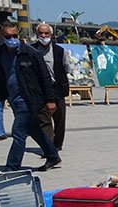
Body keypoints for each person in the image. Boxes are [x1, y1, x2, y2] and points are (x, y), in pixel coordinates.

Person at [0, 21, 60, 172]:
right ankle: (52, 156)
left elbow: (45, 77)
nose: (12, 38)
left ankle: (12, 166)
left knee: (18, 132)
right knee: (34, 129)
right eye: (8, 36)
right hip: (13, 99)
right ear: (1, 36)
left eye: (14, 35)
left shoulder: (30, 53)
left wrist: (50, 100)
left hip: (29, 100)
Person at [32, 23, 69, 152]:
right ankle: (48, 147)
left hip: (56, 88)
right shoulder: (32, 50)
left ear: (51, 35)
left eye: (46, 33)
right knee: (44, 121)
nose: (43, 36)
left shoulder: (59, 51)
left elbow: (66, 68)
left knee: (59, 120)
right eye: (41, 33)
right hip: (40, 90)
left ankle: (57, 145)